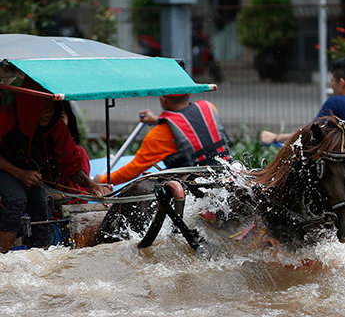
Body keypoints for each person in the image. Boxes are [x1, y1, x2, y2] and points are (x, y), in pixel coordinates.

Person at [0, 79, 112, 253]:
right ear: (30, 107)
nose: (48, 114)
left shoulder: (56, 126)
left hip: (30, 175)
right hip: (6, 170)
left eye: (52, 109)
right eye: (43, 109)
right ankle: (3, 259)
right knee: (17, 200)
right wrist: (20, 174)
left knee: (42, 201)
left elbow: (71, 164)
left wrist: (91, 186)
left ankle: (42, 254)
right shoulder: (5, 118)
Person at [260, 55, 345, 156]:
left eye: (332, 82)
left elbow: (310, 135)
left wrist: (275, 137)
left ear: (342, 82)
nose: (332, 87)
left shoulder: (335, 103)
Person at [97, 93, 232, 185]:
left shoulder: (158, 135)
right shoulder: (208, 107)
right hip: (229, 176)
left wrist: (102, 181)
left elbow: (133, 170)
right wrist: (158, 120)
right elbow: (192, 126)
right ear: (189, 94)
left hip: (197, 189)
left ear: (163, 99)